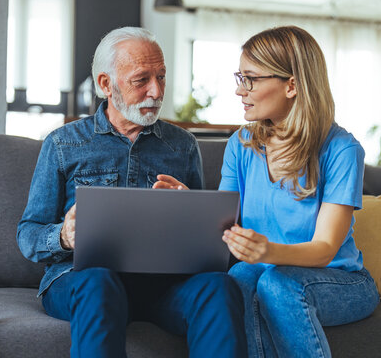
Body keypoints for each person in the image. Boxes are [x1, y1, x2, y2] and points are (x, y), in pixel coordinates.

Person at [16, 27, 247, 358]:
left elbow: (208, 251)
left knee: (218, 287)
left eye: (162, 77)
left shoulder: (182, 146)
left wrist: (190, 214)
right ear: (105, 84)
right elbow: (29, 233)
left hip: (162, 286)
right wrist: (64, 237)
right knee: (97, 282)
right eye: (142, 80)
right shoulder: (63, 143)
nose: (156, 91)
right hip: (83, 281)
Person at [154, 26, 380, 357]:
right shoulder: (240, 145)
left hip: (336, 279)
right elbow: (226, 225)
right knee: (239, 278)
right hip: (263, 270)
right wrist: (191, 205)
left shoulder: (341, 149)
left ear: (291, 85)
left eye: (251, 79)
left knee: (278, 285)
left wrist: (268, 253)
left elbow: (325, 249)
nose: (239, 90)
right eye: (239, 77)